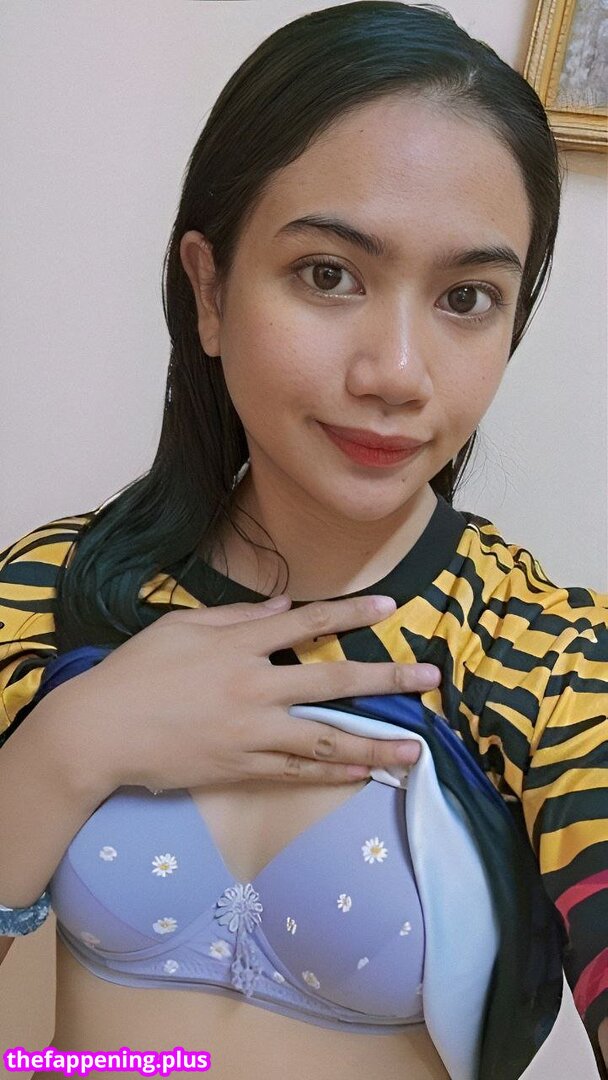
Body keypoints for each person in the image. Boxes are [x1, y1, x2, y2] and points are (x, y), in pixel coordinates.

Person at [0, 2, 606, 1078]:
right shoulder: (52, 587)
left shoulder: (547, 663)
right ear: (209, 290)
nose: (396, 373)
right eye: (329, 274)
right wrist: (62, 751)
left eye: (467, 297)